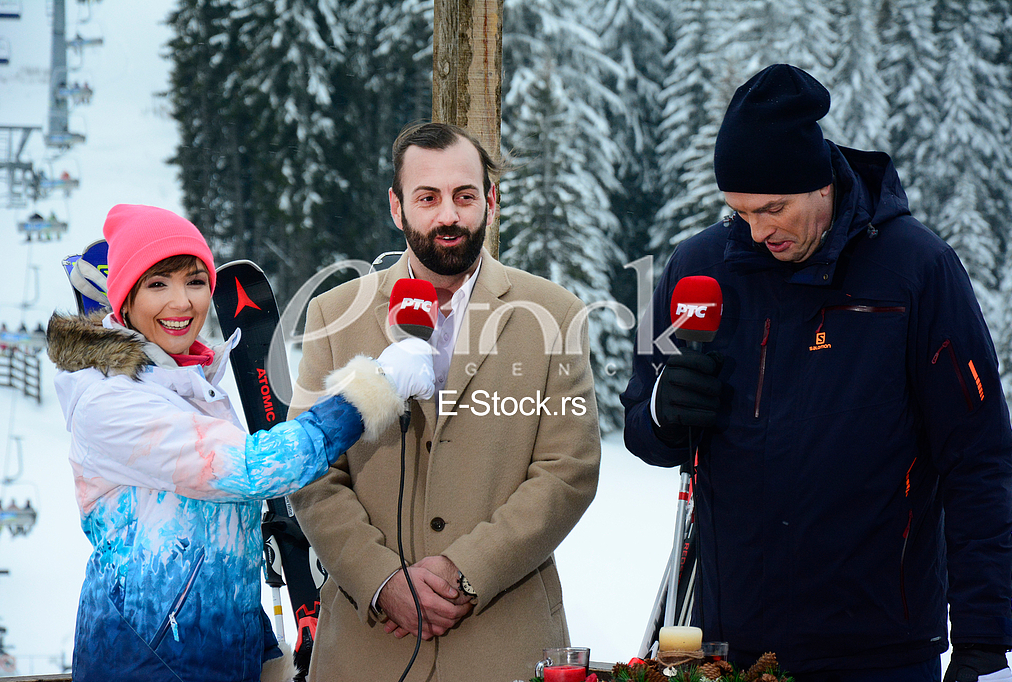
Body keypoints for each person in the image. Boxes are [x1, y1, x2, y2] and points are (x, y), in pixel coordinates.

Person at [620, 65, 1012, 682]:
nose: (758, 231)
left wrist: (982, 643)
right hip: (729, 648)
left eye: (773, 209)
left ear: (822, 184)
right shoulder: (696, 268)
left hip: (881, 649)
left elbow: (979, 459)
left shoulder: (917, 270)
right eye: (740, 211)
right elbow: (640, 429)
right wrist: (662, 412)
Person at [47, 204, 435, 682]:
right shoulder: (109, 402)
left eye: (194, 281)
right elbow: (252, 471)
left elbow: (213, 551)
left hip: (217, 658)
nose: (181, 302)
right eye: (157, 284)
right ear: (123, 300)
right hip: (146, 664)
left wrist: (263, 651)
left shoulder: (185, 385)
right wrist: (377, 386)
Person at [286, 122, 601, 682]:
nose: (448, 215)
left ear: (491, 200)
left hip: (506, 647)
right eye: (427, 198)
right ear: (396, 206)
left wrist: (467, 570)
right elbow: (311, 473)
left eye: (464, 196)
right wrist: (382, 579)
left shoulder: (553, 313)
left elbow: (567, 472)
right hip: (367, 648)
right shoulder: (334, 316)